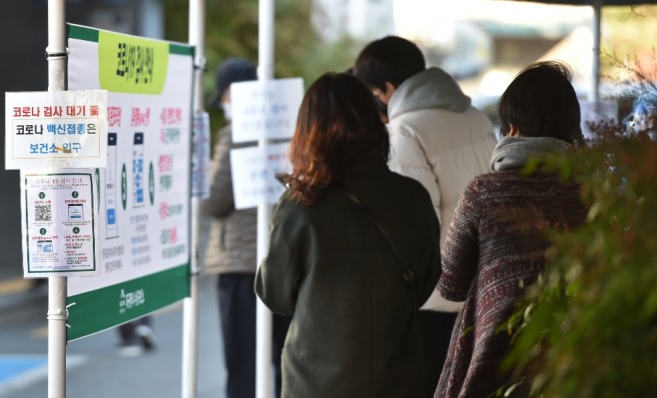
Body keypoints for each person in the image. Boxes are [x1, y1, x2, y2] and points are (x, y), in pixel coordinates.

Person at [254, 72, 441, 398]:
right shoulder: (413, 196)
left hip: (316, 383)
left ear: (308, 131)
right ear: (373, 124)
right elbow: (425, 284)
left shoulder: (301, 204)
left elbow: (275, 294)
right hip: (399, 377)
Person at [434, 61, 589, 398]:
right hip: (579, 359)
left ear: (512, 128)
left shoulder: (485, 191)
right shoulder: (592, 191)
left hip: (497, 365)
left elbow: (451, 285)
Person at [353, 35, 497, 394]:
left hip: (435, 295)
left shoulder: (405, 131)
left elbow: (414, 222)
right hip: (483, 282)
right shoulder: (475, 116)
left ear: (387, 88)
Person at [202, 57, 290, 398]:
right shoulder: (287, 128)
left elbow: (214, 200)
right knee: (284, 358)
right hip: (284, 260)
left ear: (231, 93)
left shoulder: (235, 134)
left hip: (241, 264)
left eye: (223, 99)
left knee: (243, 366)